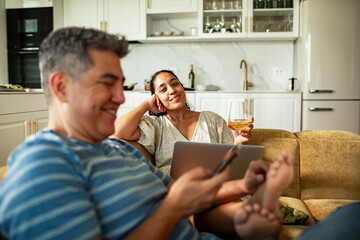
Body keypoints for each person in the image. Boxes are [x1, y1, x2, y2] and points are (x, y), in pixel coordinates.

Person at [0, 26, 294, 240]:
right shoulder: (42, 166)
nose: (118, 97)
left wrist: (249, 184)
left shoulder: (120, 150)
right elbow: (176, 201)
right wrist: (173, 208)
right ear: (61, 87)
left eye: (121, 85)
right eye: (107, 83)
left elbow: (184, 194)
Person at [114, 69, 254, 174]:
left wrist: (239, 142)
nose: (172, 90)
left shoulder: (212, 120)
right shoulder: (155, 125)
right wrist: (146, 105)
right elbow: (118, 131)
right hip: (177, 192)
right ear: (156, 98)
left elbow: (233, 167)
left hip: (214, 186)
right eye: (163, 89)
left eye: (175, 84)